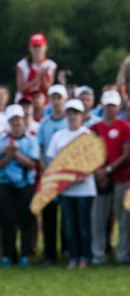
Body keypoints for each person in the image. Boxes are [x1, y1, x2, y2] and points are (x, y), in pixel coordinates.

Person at [46, 99, 97, 269]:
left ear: (82, 115)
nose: (72, 116)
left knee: (83, 225)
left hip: (85, 189)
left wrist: (82, 173)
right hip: (66, 189)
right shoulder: (58, 136)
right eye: (70, 113)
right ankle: (73, 258)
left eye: (76, 113)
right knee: (69, 225)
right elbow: (53, 161)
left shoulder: (88, 135)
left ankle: (84, 257)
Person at [90, 90, 130, 265]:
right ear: (102, 107)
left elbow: (126, 153)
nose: (110, 109)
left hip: (121, 178)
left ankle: (123, 255)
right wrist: (98, 172)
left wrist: (107, 169)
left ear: (119, 107)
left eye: (113, 106)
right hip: (100, 180)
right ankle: (98, 255)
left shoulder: (124, 127)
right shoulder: (94, 128)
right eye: (107, 106)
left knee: (124, 218)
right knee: (98, 218)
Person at [0, 105, 40, 266]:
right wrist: (8, 156)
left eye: (18, 119)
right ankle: (8, 255)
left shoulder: (31, 140)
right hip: (5, 183)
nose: (16, 123)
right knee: (7, 220)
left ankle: (24, 254)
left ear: (23, 121)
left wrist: (15, 154)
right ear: (9, 122)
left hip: (25, 184)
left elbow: (32, 164)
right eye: (13, 120)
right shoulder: (2, 141)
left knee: (25, 219)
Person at [37, 84, 68, 264]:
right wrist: (44, 168)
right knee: (49, 216)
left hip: (64, 177)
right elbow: (41, 148)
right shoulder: (45, 123)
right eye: (53, 98)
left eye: (59, 98)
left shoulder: (69, 121)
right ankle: (49, 253)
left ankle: (65, 250)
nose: (56, 102)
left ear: (64, 100)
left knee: (66, 216)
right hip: (49, 176)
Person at [15, 33, 57, 101]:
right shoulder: (22, 65)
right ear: (30, 48)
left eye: (39, 46)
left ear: (45, 47)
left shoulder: (51, 65)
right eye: (34, 46)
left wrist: (43, 79)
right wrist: (37, 78)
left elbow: (49, 90)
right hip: (26, 101)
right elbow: (21, 89)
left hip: (44, 101)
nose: (37, 49)